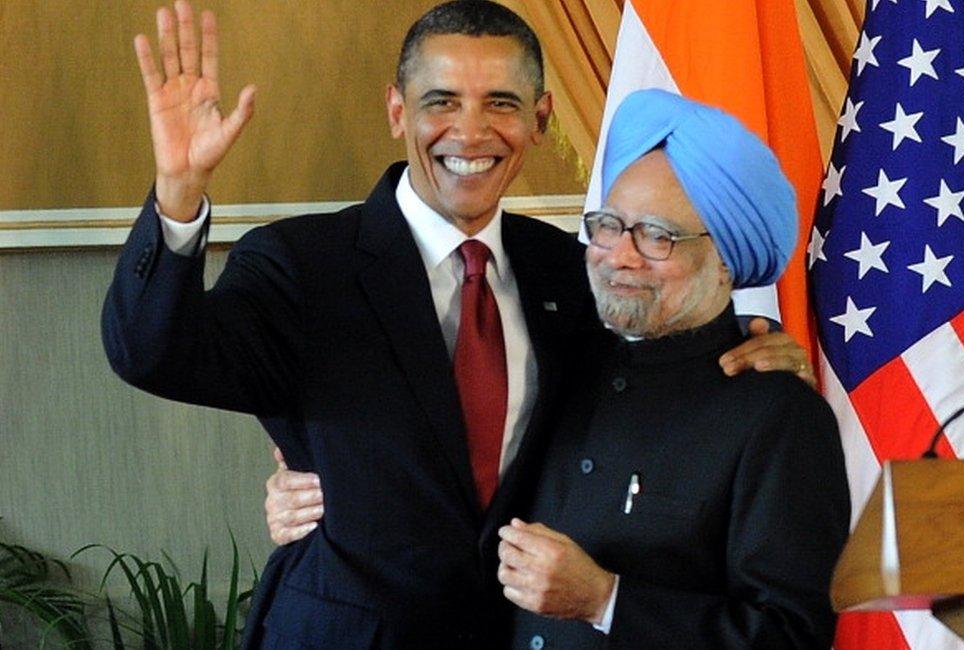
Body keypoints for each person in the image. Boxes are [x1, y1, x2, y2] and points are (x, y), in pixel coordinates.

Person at [104, 1, 814, 647]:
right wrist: (178, 192)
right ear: (396, 111)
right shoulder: (300, 263)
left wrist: (751, 349)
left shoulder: (573, 270)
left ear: (538, 120)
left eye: (500, 103)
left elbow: (640, 392)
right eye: (441, 101)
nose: (470, 132)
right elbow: (153, 354)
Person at [266, 90, 850, 649]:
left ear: (726, 259)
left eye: (657, 237)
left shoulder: (780, 417)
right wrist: (326, 488)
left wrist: (606, 600)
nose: (620, 255)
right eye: (608, 225)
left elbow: (792, 635)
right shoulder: (559, 357)